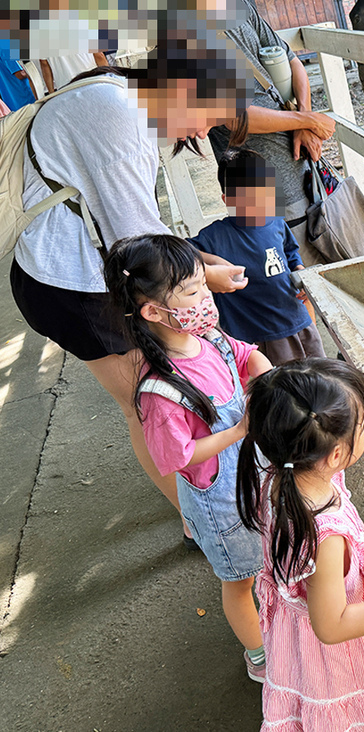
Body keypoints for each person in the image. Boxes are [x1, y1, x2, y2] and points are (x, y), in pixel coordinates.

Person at [10, 38, 251, 548]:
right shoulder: (122, 117)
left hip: (82, 270)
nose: (204, 133)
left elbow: (141, 231)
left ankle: (201, 502)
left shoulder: (122, 99)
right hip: (72, 282)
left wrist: (205, 264)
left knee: (159, 393)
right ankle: (202, 524)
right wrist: (207, 275)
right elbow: (133, 237)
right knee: (146, 401)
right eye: (208, 119)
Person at [237, 358, 364, 729]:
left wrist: (353, 438)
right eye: (361, 425)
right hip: (339, 656)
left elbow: (323, 467)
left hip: (296, 639)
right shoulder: (326, 539)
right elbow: (331, 626)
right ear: (333, 454)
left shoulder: (280, 475)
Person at [103, 234, 272, 682]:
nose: (207, 298)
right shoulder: (160, 390)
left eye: (204, 286)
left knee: (267, 556)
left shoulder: (207, 337)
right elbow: (177, 455)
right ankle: (259, 657)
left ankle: (278, 617)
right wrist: (238, 430)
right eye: (195, 291)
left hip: (249, 476)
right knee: (239, 582)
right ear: (152, 312)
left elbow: (243, 354)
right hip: (220, 504)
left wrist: (267, 375)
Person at [209, 0, 337, 267]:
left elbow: (292, 61)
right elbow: (234, 116)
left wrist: (303, 121)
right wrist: (307, 119)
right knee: (294, 283)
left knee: (321, 270)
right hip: (259, 192)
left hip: (300, 167)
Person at [189, 147, 326, 365]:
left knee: (317, 378)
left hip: (296, 322)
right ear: (227, 199)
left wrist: (301, 274)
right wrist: (211, 265)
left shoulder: (277, 223)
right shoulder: (213, 237)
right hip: (252, 336)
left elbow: (291, 253)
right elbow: (179, 253)